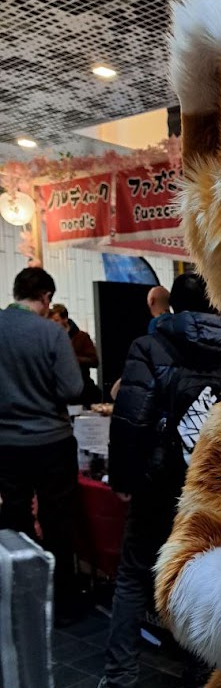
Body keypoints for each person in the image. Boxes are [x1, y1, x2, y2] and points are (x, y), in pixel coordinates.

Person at [98, 273, 221, 688]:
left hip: (157, 483)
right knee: (197, 575)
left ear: (172, 307)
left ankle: (120, 681)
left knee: (133, 576)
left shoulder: (150, 347)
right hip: (209, 486)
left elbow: (131, 420)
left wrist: (123, 480)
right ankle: (198, 673)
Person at [0, 268, 84, 626]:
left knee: (14, 516)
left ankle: (20, 597)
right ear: (46, 297)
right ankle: (62, 603)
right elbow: (72, 389)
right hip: (51, 440)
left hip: (6, 444)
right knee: (58, 519)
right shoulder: (51, 332)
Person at [49, 302, 101, 406]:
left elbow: (94, 361)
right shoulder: (50, 338)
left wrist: (72, 359)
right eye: (51, 321)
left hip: (82, 389)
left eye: (56, 320)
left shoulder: (82, 337)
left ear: (65, 319)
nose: (53, 324)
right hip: (58, 389)